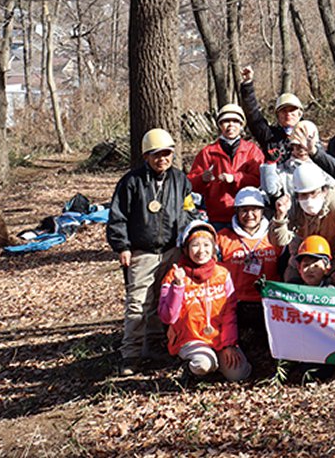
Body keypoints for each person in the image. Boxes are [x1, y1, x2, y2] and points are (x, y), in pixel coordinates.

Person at [107, 128, 195, 376]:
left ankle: (155, 346)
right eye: (156, 154)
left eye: (167, 153)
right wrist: (122, 246)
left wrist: (188, 237)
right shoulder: (131, 182)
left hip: (172, 249)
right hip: (142, 252)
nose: (162, 159)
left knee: (164, 299)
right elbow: (118, 216)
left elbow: (190, 209)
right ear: (146, 156)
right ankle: (130, 355)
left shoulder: (180, 180)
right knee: (137, 304)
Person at [158, 221, 250, 383]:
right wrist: (178, 286)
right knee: (203, 364)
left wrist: (229, 344)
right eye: (195, 245)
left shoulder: (222, 273)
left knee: (238, 374)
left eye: (206, 245)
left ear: (214, 247)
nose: (201, 251)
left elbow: (230, 313)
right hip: (189, 337)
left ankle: (216, 362)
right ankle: (190, 367)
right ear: (186, 249)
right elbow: (168, 317)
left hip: (219, 338)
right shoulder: (175, 275)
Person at [272, 161, 335, 286]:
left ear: (324, 190)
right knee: (290, 278)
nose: (309, 199)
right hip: (303, 260)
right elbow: (279, 241)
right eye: (304, 195)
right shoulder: (293, 206)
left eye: (313, 193)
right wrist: (280, 216)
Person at [216, 187, 283, 348]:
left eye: (255, 210)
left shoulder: (274, 236)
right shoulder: (223, 237)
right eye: (244, 210)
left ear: (262, 211)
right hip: (235, 304)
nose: (249, 215)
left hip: (269, 303)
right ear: (237, 212)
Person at [187, 103, 264, 228]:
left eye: (235, 121)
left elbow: (259, 181)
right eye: (226, 121)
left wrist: (235, 178)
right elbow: (190, 184)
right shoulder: (208, 152)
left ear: (241, 125)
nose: (231, 125)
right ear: (219, 125)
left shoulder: (252, 150)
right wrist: (202, 179)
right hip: (218, 217)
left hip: (247, 217)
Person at [237, 65, 304, 165]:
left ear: (300, 114)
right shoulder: (269, 136)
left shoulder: (309, 135)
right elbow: (253, 115)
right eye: (283, 111)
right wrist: (247, 84)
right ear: (277, 115)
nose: (288, 114)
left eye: (292, 110)